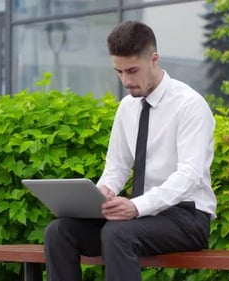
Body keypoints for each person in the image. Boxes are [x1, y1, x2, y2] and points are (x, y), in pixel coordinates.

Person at [44, 20, 217, 281]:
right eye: (119, 72)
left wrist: (136, 206)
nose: (126, 80)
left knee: (117, 234)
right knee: (59, 232)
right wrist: (102, 193)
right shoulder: (127, 107)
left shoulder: (190, 105)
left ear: (154, 59)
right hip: (140, 218)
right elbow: (117, 167)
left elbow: (189, 175)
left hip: (188, 217)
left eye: (132, 70)